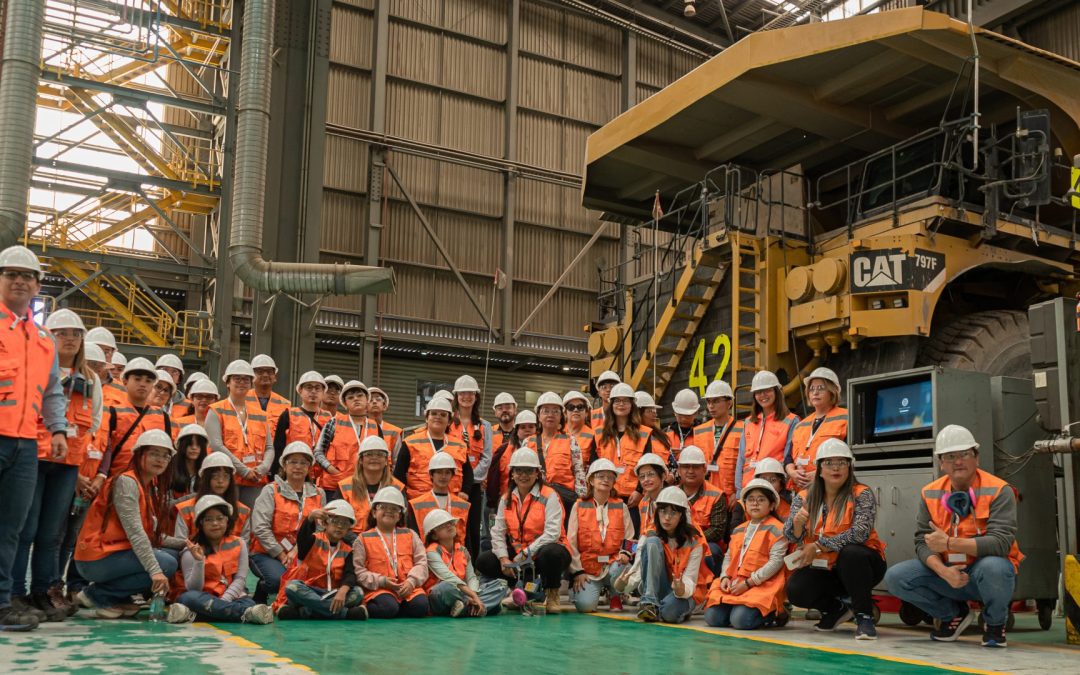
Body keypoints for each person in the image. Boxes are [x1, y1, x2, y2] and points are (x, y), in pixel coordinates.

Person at [884, 425, 1022, 648]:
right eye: (950, 456)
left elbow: (1002, 543)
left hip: (983, 574)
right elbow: (922, 541)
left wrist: (949, 543)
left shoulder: (999, 490)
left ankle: (995, 623)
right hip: (947, 571)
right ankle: (953, 614)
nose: (958, 461)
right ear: (941, 462)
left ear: (976, 457)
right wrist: (943, 571)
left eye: (964, 454)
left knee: (995, 567)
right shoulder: (930, 492)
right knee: (897, 577)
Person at [11, 309, 100, 623]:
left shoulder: (90, 379)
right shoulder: (36, 370)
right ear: (49, 337)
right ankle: (15, 593)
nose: (71, 339)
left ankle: (44, 592)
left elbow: (95, 424)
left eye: (76, 334)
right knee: (26, 530)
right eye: (63, 332)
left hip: (68, 464)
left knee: (51, 534)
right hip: (34, 458)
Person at [73, 430, 185, 619]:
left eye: (165, 456)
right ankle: (97, 596)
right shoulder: (127, 482)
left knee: (174, 554)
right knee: (166, 563)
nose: (160, 460)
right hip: (97, 558)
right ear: (139, 454)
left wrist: (185, 544)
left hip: (113, 555)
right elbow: (136, 534)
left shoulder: (147, 486)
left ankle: (116, 597)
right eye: (154, 453)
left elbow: (151, 536)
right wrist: (156, 571)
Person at [784, 439, 886, 640]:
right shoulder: (804, 496)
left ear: (850, 466)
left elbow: (860, 533)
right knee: (796, 589)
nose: (836, 467)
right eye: (829, 463)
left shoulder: (861, 493)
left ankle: (864, 616)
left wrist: (819, 545)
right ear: (819, 468)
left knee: (851, 553)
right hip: (827, 567)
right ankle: (836, 609)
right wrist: (796, 525)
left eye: (842, 462)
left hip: (863, 565)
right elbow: (790, 535)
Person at [478, 448, 571, 614]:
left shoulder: (550, 496)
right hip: (519, 555)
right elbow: (498, 531)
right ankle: (517, 592)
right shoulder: (506, 498)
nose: (523, 475)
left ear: (537, 473)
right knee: (485, 560)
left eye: (529, 470)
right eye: (518, 470)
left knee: (552, 553)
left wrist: (525, 554)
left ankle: (552, 595)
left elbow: (552, 533)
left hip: (544, 553)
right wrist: (503, 558)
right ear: (512, 473)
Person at [166, 495, 274, 625]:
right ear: (200, 523)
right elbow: (193, 588)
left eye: (220, 518)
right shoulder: (191, 550)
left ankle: (191, 616)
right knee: (188, 598)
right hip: (202, 598)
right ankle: (246, 613)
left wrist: (223, 602)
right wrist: (199, 562)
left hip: (230, 597)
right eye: (209, 520)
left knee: (248, 601)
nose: (215, 523)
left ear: (227, 520)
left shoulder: (239, 543)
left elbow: (240, 579)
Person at [616, 486, 713, 624]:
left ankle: (664, 607)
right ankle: (649, 603)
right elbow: (639, 568)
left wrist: (680, 589)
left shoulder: (695, 540)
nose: (667, 517)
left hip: (685, 591)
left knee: (669, 614)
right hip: (661, 586)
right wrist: (622, 586)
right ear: (657, 512)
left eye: (673, 513)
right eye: (663, 511)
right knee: (652, 542)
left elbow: (691, 579)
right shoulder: (651, 533)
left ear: (682, 515)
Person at [705, 478, 788, 629]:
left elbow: (776, 562)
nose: (755, 503)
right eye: (751, 499)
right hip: (736, 584)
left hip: (763, 585)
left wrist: (749, 583)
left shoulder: (778, 529)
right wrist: (724, 577)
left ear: (771, 505)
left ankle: (774, 614)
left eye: (761, 499)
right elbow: (729, 556)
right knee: (713, 618)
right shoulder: (739, 529)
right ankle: (737, 609)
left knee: (741, 621)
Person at [249, 442, 325, 604]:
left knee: (316, 580)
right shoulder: (271, 490)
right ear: (284, 464)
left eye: (303, 463)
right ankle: (263, 588)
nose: (298, 467)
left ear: (309, 467)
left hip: (302, 552)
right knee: (278, 580)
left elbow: (320, 529)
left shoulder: (319, 493)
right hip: (267, 553)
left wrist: (296, 551)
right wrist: (281, 554)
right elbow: (260, 527)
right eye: (293, 462)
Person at [273, 500, 367, 620]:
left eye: (344, 524)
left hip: (333, 593)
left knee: (358, 592)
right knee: (292, 587)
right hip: (309, 590)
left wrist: (343, 591)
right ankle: (344, 613)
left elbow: (350, 574)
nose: (339, 526)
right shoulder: (312, 540)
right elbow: (302, 537)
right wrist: (310, 518)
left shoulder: (348, 550)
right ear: (324, 523)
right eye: (335, 521)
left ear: (349, 529)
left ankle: (305, 612)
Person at [567, 459, 634, 613]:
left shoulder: (621, 506)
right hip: (588, 568)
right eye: (601, 476)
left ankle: (616, 594)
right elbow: (571, 542)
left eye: (610, 477)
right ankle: (584, 591)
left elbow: (630, 537)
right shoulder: (578, 506)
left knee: (623, 568)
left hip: (613, 565)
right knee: (586, 607)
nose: (605, 480)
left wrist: (625, 553)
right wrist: (578, 571)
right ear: (591, 480)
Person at [205, 359, 275, 507]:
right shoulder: (216, 410)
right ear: (228, 382)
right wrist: (243, 470)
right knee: (226, 518)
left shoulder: (260, 414)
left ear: (251, 384)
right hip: (226, 479)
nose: (242, 382)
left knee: (250, 523)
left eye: (246, 379)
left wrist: (262, 469)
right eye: (237, 378)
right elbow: (216, 445)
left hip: (255, 480)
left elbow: (269, 447)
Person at [354, 486, 430, 619]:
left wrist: (411, 582)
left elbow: (422, 563)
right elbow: (359, 571)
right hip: (379, 589)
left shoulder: (411, 535)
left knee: (421, 606)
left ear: (400, 515)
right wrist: (381, 581)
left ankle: (397, 608)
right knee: (387, 608)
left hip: (408, 587)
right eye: (383, 507)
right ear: (373, 512)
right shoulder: (362, 539)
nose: (389, 511)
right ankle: (388, 608)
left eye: (394, 508)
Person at [593, 383, 666, 516]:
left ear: (632, 405)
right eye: (617, 401)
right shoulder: (599, 433)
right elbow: (594, 464)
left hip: (633, 498)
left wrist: (639, 491)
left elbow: (647, 465)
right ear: (611, 404)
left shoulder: (644, 432)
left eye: (626, 401)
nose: (621, 404)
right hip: (606, 494)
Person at [94, 357, 172, 480]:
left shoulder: (162, 416)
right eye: (137, 379)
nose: (142, 384)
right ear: (125, 381)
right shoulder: (112, 412)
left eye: (148, 381)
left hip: (150, 484)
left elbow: (167, 453)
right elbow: (105, 450)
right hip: (116, 480)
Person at [424, 509, 507, 617]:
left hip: (464, 593)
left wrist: (473, 593)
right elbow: (448, 578)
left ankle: (465, 608)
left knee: (501, 584)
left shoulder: (463, 550)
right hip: (443, 596)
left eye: (450, 523)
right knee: (445, 586)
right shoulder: (431, 552)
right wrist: (473, 596)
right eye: (442, 525)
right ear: (434, 536)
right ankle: (485, 606)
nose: (449, 526)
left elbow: (471, 577)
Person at [394, 398, 473, 500]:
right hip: (418, 504)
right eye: (434, 413)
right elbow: (398, 474)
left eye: (443, 415)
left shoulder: (460, 445)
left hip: (451, 503)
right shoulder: (410, 443)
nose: (438, 417)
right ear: (427, 418)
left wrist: (465, 491)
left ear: (449, 421)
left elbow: (468, 473)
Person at [448, 375, 492, 558]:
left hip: (473, 487)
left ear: (476, 396)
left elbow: (487, 457)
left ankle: (473, 567)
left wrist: (469, 480)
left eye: (470, 393)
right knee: (452, 527)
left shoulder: (485, 426)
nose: (466, 397)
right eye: (462, 393)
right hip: (450, 485)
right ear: (456, 396)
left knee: (473, 528)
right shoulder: (448, 424)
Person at [736, 371, 798, 497]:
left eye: (767, 390)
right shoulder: (748, 422)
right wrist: (738, 491)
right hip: (748, 489)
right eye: (758, 392)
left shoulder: (791, 420)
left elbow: (789, 458)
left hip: (775, 491)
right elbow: (741, 459)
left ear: (776, 391)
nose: (762, 395)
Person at [785, 367, 847, 492]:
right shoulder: (801, 425)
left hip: (831, 490)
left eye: (821, 388)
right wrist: (792, 472)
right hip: (802, 492)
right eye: (812, 389)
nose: (815, 392)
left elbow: (851, 457)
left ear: (832, 392)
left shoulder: (846, 418)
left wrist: (822, 474)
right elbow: (788, 458)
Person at [314, 380, 377, 501]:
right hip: (334, 487)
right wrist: (332, 470)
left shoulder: (375, 427)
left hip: (365, 486)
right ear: (345, 403)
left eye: (360, 396)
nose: (356, 399)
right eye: (351, 397)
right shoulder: (334, 422)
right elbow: (318, 452)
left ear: (367, 399)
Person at [173, 452, 252, 542]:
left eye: (225, 476)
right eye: (215, 476)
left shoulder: (243, 510)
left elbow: (244, 545)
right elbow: (180, 543)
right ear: (205, 479)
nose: (220, 481)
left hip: (232, 555)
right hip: (195, 554)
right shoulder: (186, 509)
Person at [534, 391, 588, 522]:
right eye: (546, 411)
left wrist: (580, 502)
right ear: (539, 416)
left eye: (555, 411)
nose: (550, 415)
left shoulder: (571, 441)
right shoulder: (528, 442)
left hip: (564, 499)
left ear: (561, 416)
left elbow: (579, 471)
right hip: (535, 499)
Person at [676, 446, 729, 575]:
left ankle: (709, 588)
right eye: (686, 466)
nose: (690, 471)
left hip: (705, 543)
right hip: (676, 542)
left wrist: (691, 541)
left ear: (704, 469)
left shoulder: (716, 495)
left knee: (713, 550)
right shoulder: (672, 494)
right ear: (678, 470)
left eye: (695, 467)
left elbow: (717, 531)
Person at [339, 436, 406, 534]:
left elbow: (401, 522)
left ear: (386, 461)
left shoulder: (398, 487)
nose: (374, 458)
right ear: (361, 460)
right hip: (352, 542)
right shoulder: (344, 487)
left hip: (388, 542)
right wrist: (359, 542)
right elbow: (339, 523)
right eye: (369, 454)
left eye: (379, 455)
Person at [273, 371, 331, 479]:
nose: (313, 391)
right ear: (300, 390)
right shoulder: (288, 415)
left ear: (323, 392)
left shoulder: (330, 419)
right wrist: (276, 475)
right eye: (309, 387)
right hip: (294, 473)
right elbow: (278, 448)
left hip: (322, 476)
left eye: (317, 388)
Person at [693, 381, 741, 496]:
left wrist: (738, 492)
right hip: (705, 495)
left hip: (731, 496)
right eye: (709, 401)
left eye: (716, 401)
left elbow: (745, 465)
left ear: (729, 403)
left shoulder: (743, 429)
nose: (711, 406)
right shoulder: (699, 431)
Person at [409, 453, 469, 544]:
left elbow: (468, 539)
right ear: (431, 474)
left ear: (452, 475)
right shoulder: (416, 505)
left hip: (457, 556)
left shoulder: (463, 505)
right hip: (427, 555)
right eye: (439, 472)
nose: (443, 476)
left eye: (447, 472)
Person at [729, 457, 793, 533]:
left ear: (781, 484)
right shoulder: (742, 504)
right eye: (763, 479)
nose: (768, 483)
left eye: (773, 480)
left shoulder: (789, 506)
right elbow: (735, 533)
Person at [487, 410, 537, 499]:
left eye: (531, 426)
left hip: (536, 498)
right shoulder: (504, 449)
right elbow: (494, 476)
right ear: (516, 430)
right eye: (523, 427)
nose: (527, 430)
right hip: (507, 498)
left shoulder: (543, 449)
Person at [666, 388, 702, 478]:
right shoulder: (666, 433)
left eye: (687, 415)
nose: (683, 419)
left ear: (696, 413)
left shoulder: (703, 433)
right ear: (674, 412)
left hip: (695, 479)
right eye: (680, 415)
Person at [247, 354, 290, 426]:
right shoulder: (241, 401)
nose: (265, 375)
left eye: (269, 371)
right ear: (251, 376)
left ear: (275, 377)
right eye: (260, 371)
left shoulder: (285, 405)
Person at [85, 327, 124, 407]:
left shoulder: (122, 390)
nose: (100, 355)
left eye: (106, 352)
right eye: (95, 349)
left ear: (113, 354)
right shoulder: (69, 381)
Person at [170, 424, 208, 500]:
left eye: (198, 445)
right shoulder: (170, 469)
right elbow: (167, 504)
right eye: (190, 444)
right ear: (182, 446)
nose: (194, 448)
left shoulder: (207, 471)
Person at [633, 453, 668, 537]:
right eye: (642, 476)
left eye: (651, 474)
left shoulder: (672, 499)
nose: (646, 480)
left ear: (663, 476)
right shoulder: (643, 502)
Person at [367, 387, 402, 464]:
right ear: (365, 407)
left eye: (378, 399)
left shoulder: (394, 432)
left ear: (384, 406)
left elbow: (397, 462)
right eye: (370, 400)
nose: (374, 402)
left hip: (387, 474)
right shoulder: (360, 428)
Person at [155, 354, 191, 424]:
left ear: (179, 379)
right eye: (164, 369)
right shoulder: (145, 400)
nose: (169, 374)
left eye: (174, 371)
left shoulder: (189, 406)